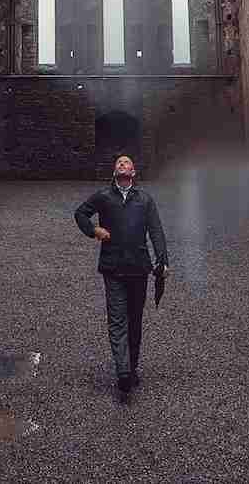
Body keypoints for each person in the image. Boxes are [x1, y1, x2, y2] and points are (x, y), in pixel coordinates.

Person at [75, 154, 168, 398]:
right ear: (114, 171)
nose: (121, 164)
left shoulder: (145, 200)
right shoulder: (104, 197)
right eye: (118, 162)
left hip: (139, 268)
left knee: (135, 321)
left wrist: (163, 259)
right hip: (113, 268)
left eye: (126, 162)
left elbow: (156, 230)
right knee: (117, 320)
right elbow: (80, 213)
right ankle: (123, 372)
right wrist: (93, 230)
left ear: (133, 172)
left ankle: (132, 367)